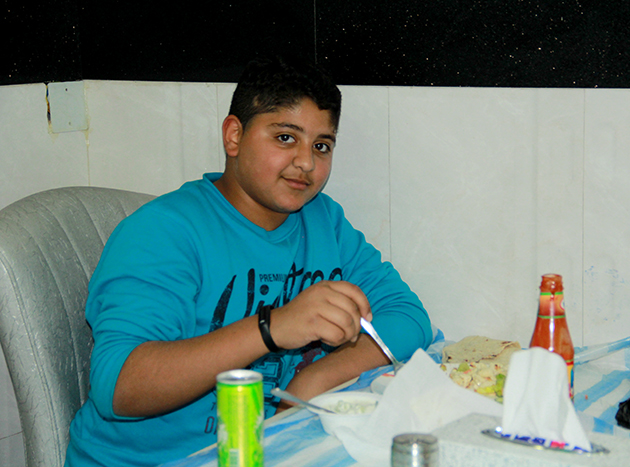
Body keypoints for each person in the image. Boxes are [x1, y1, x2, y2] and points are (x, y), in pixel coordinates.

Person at [65, 56, 432, 466]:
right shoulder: (163, 231)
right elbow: (118, 387)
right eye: (285, 138)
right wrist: (272, 328)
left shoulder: (322, 221)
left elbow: (408, 317)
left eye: (321, 146)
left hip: (273, 449)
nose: (306, 163)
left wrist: (313, 380)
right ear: (234, 136)